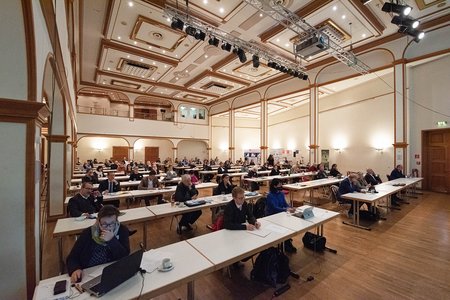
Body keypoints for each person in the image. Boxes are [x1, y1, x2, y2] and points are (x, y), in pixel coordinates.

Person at [66, 205, 130, 283]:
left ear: (116, 221)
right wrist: (75, 269)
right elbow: (72, 257)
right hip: (88, 273)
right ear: (98, 222)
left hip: (111, 270)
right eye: (104, 224)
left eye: (112, 223)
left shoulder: (122, 230)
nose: (108, 228)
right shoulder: (88, 233)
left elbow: (125, 256)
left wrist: (112, 240)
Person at [265, 179, 297, 253]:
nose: (281, 186)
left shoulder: (281, 193)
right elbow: (275, 208)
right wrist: (286, 210)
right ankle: (285, 243)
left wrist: (290, 207)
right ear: (274, 186)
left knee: (289, 225)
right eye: (279, 185)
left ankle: (287, 242)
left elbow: (285, 204)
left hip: (281, 214)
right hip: (272, 216)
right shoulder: (270, 196)